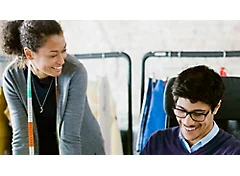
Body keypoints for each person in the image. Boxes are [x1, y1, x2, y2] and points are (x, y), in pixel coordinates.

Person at [0, 20, 105, 155]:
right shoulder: (12, 77)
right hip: (41, 149)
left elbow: (70, 137)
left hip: (80, 149)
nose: (61, 60)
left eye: (64, 50)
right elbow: (21, 136)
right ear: (29, 54)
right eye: (53, 55)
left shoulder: (75, 71)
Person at [141, 65, 240, 155]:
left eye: (197, 114)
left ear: (216, 107)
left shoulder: (233, 152)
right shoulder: (157, 142)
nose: (187, 122)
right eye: (181, 111)